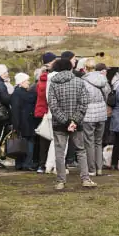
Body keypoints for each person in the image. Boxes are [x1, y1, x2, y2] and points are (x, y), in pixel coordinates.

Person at [46, 58, 95, 190]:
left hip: (59, 124)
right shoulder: (79, 82)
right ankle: (85, 178)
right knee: (81, 150)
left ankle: (60, 181)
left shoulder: (53, 84)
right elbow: (84, 103)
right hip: (76, 124)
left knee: (59, 153)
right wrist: (74, 121)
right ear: (70, 68)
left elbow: (53, 106)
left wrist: (66, 121)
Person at [81, 62, 109, 178]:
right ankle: (99, 168)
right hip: (101, 113)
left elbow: (82, 98)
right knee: (99, 142)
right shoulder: (103, 79)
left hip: (88, 114)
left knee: (89, 142)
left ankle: (91, 169)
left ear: (85, 69)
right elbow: (107, 94)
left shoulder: (83, 81)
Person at [10, 72, 37, 172]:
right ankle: (27, 163)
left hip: (22, 121)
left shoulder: (17, 93)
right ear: (21, 82)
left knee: (20, 142)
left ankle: (19, 163)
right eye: (26, 81)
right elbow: (16, 110)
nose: (28, 83)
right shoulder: (21, 94)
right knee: (29, 142)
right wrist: (17, 124)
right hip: (26, 121)